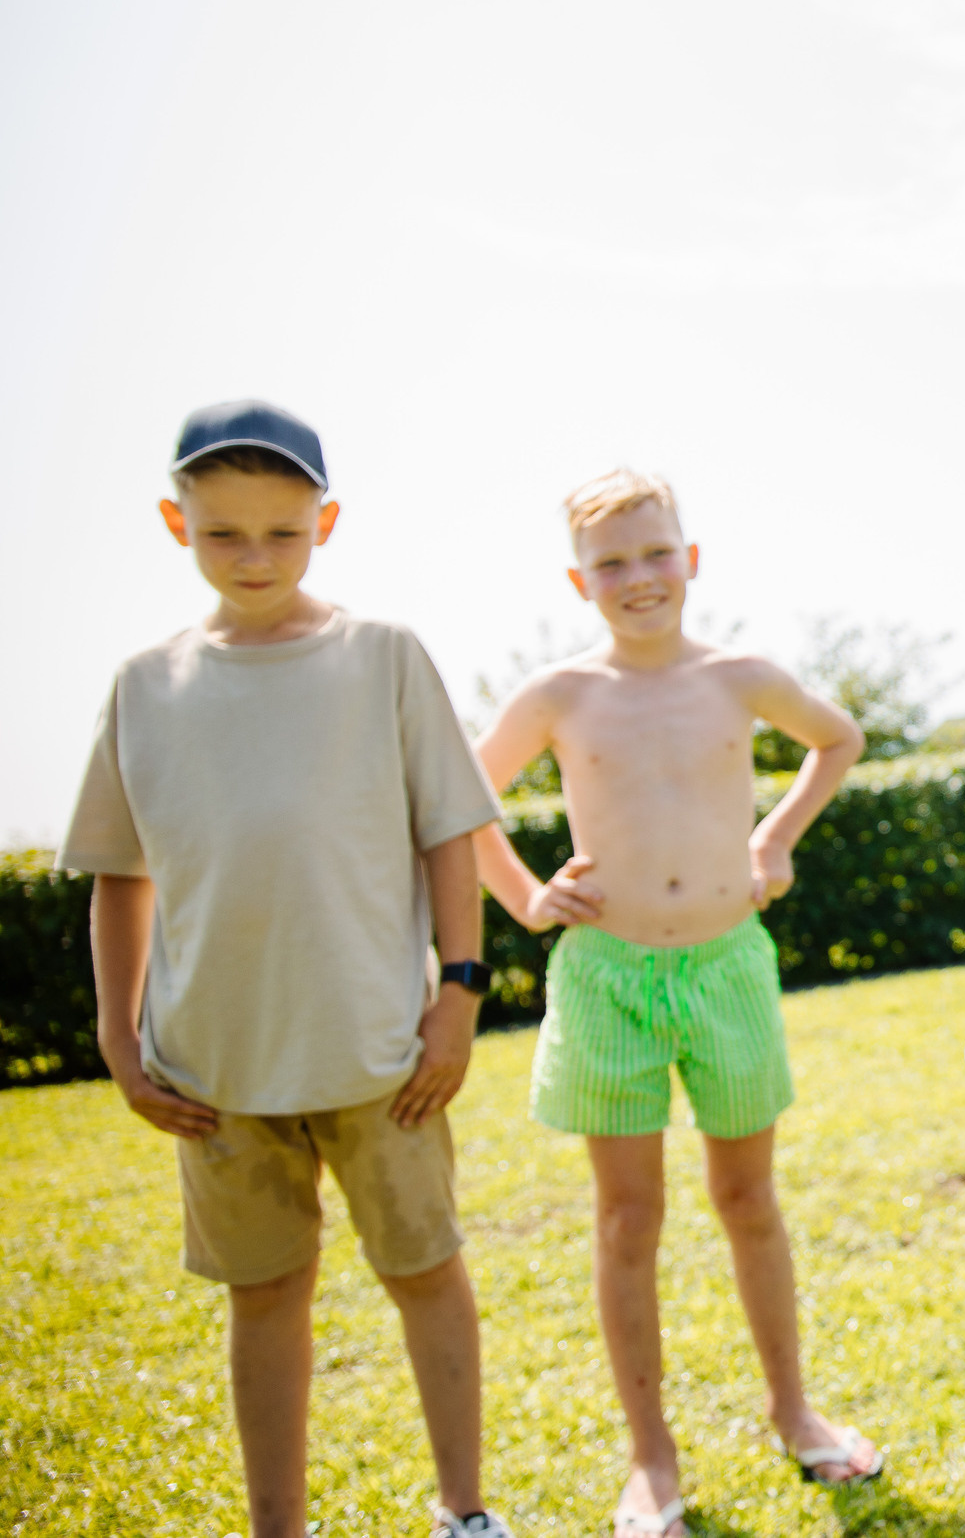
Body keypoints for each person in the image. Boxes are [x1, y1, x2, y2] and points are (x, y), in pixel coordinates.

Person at [62, 402, 513, 1538]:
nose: (254, 557)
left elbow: (448, 835)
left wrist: (457, 995)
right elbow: (121, 878)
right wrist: (120, 1041)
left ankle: (464, 1514)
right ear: (176, 523)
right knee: (265, 1301)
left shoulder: (384, 657)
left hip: (382, 1053)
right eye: (223, 534)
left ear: (328, 521)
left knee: (426, 1274)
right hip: (213, 1071)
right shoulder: (144, 685)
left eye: (281, 531)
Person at [471, 469, 881, 1538]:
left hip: (726, 968)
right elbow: (462, 798)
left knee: (749, 1202)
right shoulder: (560, 694)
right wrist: (526, 897)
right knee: (626, 1218)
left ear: (690, 560)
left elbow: (837, 737)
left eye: (657, 554)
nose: (639, 577)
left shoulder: (739, 676)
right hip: (604, 976)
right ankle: (650, 1463)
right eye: (611, 563)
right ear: (579, 580)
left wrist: (775, 838)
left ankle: (794, 1414)